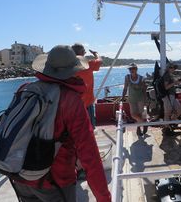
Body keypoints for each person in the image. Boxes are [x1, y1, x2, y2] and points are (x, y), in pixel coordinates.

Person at [12, 45, 111, 202]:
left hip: (19, 176)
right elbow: (89, 155)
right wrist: (104, 198)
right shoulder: (71, 101)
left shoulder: (24, 89)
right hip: (55, 182)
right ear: (73, 70)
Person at [72, 43, 102, 129]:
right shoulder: (87, 64)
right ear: (82, 52)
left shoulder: (67, 66)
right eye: (84, 51)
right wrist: (95, 53)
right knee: (89, 128)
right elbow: (99, 61)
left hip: (72, 104)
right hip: (87, 103)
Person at [122, 63, 148, 136]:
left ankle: (138, 128)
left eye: (133, 69)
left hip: (140, 99)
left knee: (139, 114)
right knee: (133, 114)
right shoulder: (127, 77)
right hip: (131, 99)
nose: (131, 70)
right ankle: (145, 123)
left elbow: (144, 90)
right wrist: (123, 97)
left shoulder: (142, 78)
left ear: (136, 69)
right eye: (130, 69)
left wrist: (146, 100)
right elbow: (125, 88)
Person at [162, 62, 181, 136]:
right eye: (171, 67)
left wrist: (176, 83)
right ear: (168, 68)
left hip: (172, 95)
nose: (173, 69)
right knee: (167, 113)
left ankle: (170, 122)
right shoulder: (167, 76)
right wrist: (174, 83)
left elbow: (171, 85)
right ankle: (166, 128)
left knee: (180, 110)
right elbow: (166, 87)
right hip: (168, 96)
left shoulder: (170, 75)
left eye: (174, 67)